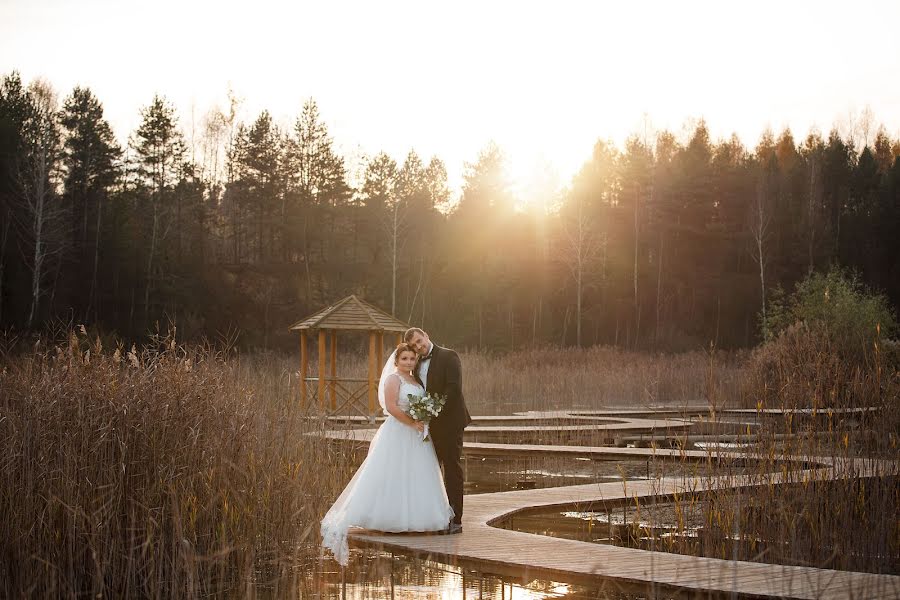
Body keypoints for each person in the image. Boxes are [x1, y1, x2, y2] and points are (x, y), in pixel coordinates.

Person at [320, 343, 453, 566]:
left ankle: (419, 518)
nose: (409, 362)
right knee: (393, 472)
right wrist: (412, 422)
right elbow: (391, 407)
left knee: (417, 474)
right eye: (405, 359)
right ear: (397, 361)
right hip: (400, 431)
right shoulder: (394, 379)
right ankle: (389, 517)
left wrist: (423, 417)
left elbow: (420, 402)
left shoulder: (415, 381)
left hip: (417, 433)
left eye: (412, 359)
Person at [404, 327, 471, 534]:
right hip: (429, 426)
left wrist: (433, 409)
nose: (418, 346)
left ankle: (456, 520)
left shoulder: (449, 356)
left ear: (426, 336)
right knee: (431, 471)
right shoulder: (415, 365)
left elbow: (453, 388)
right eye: (414, 345)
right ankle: (437, 517)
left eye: (419, 341)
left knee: (452, 469)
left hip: (450, 422)